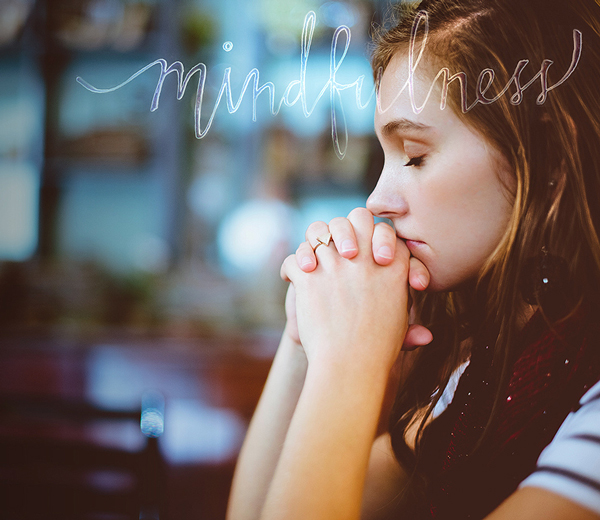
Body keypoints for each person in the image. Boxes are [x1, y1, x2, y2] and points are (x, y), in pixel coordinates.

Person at [226, 0, 600, 518]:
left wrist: (348, 364)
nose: (378, 199)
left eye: (416, 155)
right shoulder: (489, 375)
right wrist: (305, 339)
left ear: (548, 152)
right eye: (385, 157)